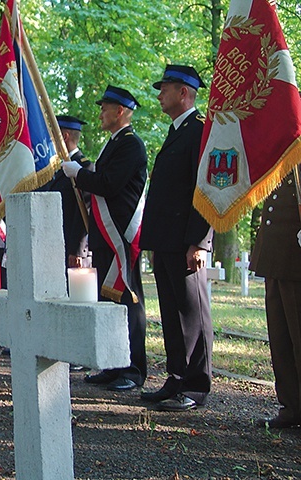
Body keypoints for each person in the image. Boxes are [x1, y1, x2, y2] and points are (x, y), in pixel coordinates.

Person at [62, 85, 147, 391]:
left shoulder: (131, 145)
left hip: (120, 236)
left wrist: (80, 175)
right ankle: (113, 364)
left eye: (105, 108)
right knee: (107, 301)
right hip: (105, 236)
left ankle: (134, 368)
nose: (100, 114)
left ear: (120, 112)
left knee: (127, 302)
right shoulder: (114, 144)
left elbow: (110, 185)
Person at [138, 65, 214, 412]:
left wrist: (199, 240)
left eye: (165, 88)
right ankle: (177, 377)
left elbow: (208, 188)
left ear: (184, 92)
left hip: (186, 241)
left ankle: (196, 385)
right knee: (171, 312)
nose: (159, 94)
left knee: (191, 312)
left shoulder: (199, 131)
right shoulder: (177, 131)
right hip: (167, 240)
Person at [250, 172, 301, 428]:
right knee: (281, 339)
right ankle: (291, 406)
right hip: (276, 252)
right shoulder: (284, 148)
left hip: (295, 254)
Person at [42, 115, 94, 267]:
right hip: (55, 244)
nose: (50, 140)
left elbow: (84, 211)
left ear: (64, 136)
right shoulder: (57, 168)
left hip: (71, 249)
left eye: (52, 136)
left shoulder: (85, 168)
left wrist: (77, 249)